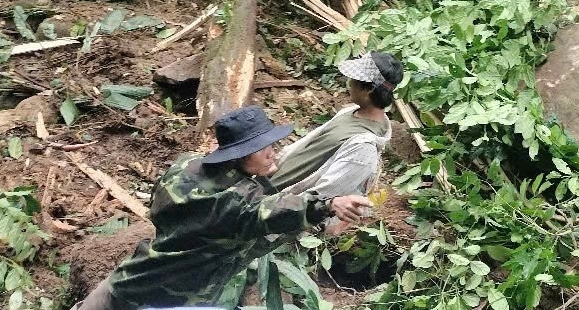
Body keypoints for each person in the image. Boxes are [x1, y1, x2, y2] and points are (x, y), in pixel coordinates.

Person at [71, 106, 371, 310]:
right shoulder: (235, 203)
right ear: (239, 155)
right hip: (173, 300)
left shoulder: (185, 166)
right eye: (261, 147)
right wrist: (330, 203)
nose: (272, 151)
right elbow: (267, 212)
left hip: (130, 279)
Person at [268, 51, 404, 199]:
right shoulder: (350, 112)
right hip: (269, 185)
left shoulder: (363, 149)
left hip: (277, 204)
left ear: (369, 89)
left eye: (354, 79)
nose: (350, 82)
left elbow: (324, 195)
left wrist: (277, 206)